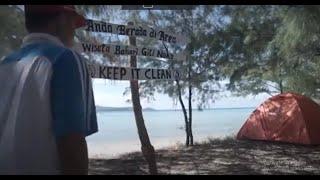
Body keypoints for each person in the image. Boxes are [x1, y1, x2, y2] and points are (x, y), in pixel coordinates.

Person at [0, 5, 98, 175]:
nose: (74, 32)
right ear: (61, 20)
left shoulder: (4, 64)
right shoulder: (66, 59)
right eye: (73, 24)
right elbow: (72, 143)